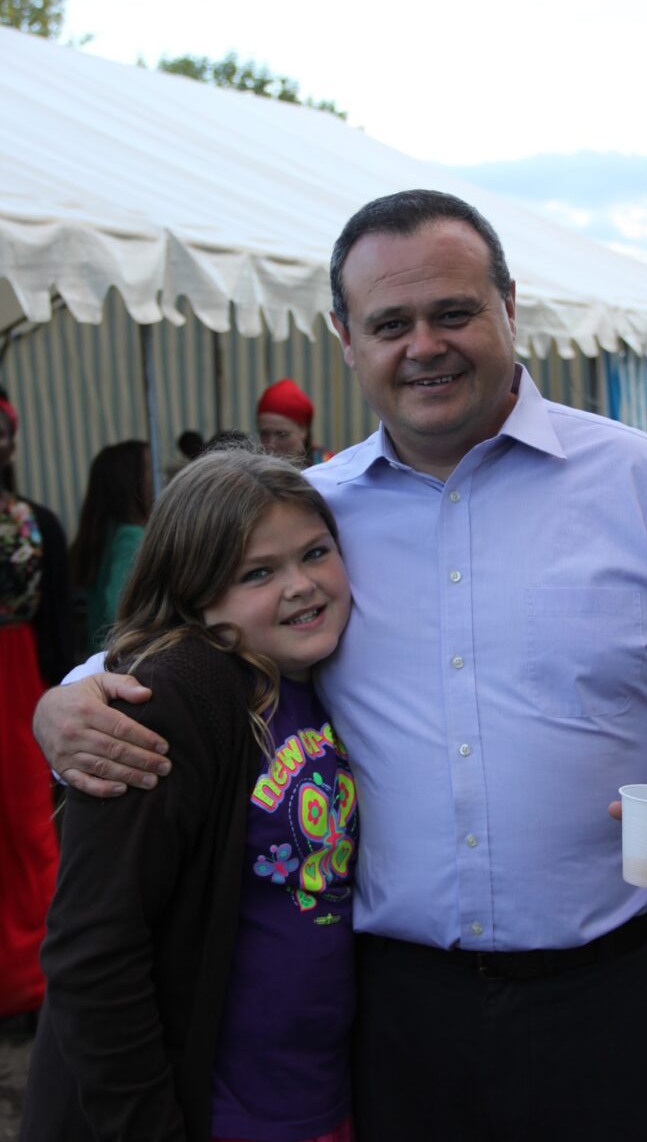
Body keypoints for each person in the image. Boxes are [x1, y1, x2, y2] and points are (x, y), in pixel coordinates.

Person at [34, 191, 647, 1142]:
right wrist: (63, 702)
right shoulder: (307, 522)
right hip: (395, 1021)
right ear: (346, 338)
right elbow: (163, 648)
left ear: (510, 305)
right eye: (390, 324)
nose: (424, 346)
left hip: (620, 1002)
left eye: (453, 312)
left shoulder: (644, 484)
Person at [21, 448, 357, 1142]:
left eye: (315, 553)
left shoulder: (331, 677)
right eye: (258, 572)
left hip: (321, 1095)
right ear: (195, 593)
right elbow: (94, 949)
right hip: (215, 1111)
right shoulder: (171, 702)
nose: (300, 586)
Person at [0, 390, 73, 1023]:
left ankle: (33, 982)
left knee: (29, 830)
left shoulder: (36, 522)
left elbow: (59, 618)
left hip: (22, 681)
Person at [70, 439, 152, 651]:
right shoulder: (131, 537)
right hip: (123, 657)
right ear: (132, 481)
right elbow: (120, 609)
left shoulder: (103, 533)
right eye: (150, 469)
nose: (157, 476)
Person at [256, 378, 332, 467]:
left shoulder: (329, 467)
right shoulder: (252, 469)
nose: (271, 445)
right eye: (264, 434)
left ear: (304, 430)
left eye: (282, 435)